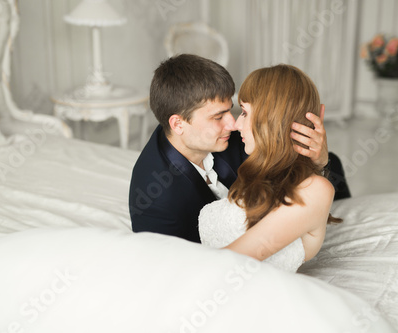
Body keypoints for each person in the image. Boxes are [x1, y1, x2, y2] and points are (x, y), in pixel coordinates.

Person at [129, 54, 350, 243]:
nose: (233, 124)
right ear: (177, 124)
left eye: (231, 110)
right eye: (218, 117)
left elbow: (285, 168)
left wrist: (319, 161)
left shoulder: (231, 138)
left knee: (333, 162)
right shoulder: (155, 198)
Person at [199, 64, 341, 272]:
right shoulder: (256, 172)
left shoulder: (316, 190)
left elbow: (232, 260)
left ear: (272, 119)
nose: (237, 125)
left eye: (245, 112)